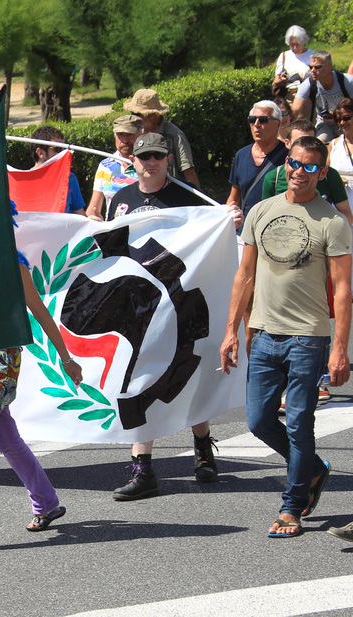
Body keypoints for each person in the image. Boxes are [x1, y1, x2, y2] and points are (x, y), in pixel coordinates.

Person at [221, 136, 352, 538]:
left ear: (322, 173)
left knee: (298, 424)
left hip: (308, 338)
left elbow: (344, 289)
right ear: (286, 166)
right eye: (295, 164)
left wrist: (340, 350)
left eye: (311, 167)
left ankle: (292, 506)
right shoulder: (261, 211)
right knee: (259, 421)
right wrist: (232, 330)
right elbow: (244, 276)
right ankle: (313, 469)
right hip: (264, 334)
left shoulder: (332, 221)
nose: (300, 172)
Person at [108, 133, 243, 499]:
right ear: (132, 161)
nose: (150, 162)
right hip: (137, 307)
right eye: (143, 156)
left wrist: (229, 220)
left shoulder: (188, 197)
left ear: (169, 159)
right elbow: (108, 250)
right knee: (137, 379)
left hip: (182, 299)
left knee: (189, 373)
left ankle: (202, 448)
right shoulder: (120, 200)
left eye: (157, 156)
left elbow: (215, 232)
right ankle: (143, 469)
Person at [0, 256, 82, 529]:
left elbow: (40, 312)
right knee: (5, 437)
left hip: (1, 361)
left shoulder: (13, 266)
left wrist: (66, 359)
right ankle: (46, 503)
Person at [262, 119, 353, 225]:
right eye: (299, 142)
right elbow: (266, 217)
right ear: (287, 143)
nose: (300, 171)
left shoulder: (330, 176)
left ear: (322, 173)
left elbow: (347, 215)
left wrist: (322, 227)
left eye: (310, 141)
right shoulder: (273, 177)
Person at [123, 89, 200, 187]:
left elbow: (188, 171)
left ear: (152, 115)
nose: (132, 117)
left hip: (171, 195)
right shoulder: (137, 132)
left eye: (136, 114)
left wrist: (198, 199)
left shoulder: (175, 135)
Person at [227, 101, 289, 218]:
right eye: (252, 119)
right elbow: (234, 197)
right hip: (246, 229)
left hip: (275, 227)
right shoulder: (241, 155)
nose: (256, 124)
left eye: (263, 120)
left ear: (278, 124)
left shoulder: (288, 156)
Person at [85, 115, 143, 221]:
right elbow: (93, 207)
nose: (125, 140)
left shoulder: (149, 164)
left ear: (141, 134)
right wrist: (93, 218)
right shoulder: (105, 166)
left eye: (130, 134)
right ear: (115, 136)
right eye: (120, 135)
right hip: (113, 231)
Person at [290, 51, 353, 142]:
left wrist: (337, 117)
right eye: (311, 67)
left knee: (346, 143)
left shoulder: (347, 81)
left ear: (329, 66)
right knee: (319, 144)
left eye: (318, 67)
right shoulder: (309, 84)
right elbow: (294, 111)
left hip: (347, 122)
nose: (313, 71)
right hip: (324, 124)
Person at [29, 126, 86, 215]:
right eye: (58, 149)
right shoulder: (24, 181)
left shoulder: (70, 178)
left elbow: (80, 216)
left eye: (65, 149)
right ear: (40, 153)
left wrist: (92, 221)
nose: (63, 154)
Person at [272, 26, 314, 99]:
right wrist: (282, 80)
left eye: (298, 44)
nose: (295, 48)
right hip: (289, 96)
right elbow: (275, 80)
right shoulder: (284, 56)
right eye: (292, 44)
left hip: (308, 96)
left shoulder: (312, 55)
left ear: (303, 42)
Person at [326, 98, 353, 205]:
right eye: (338, 120)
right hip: (340, 206)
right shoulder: (333, 145)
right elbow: (324, 175)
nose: (342, 122)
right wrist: (336, 180)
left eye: (346, 118)